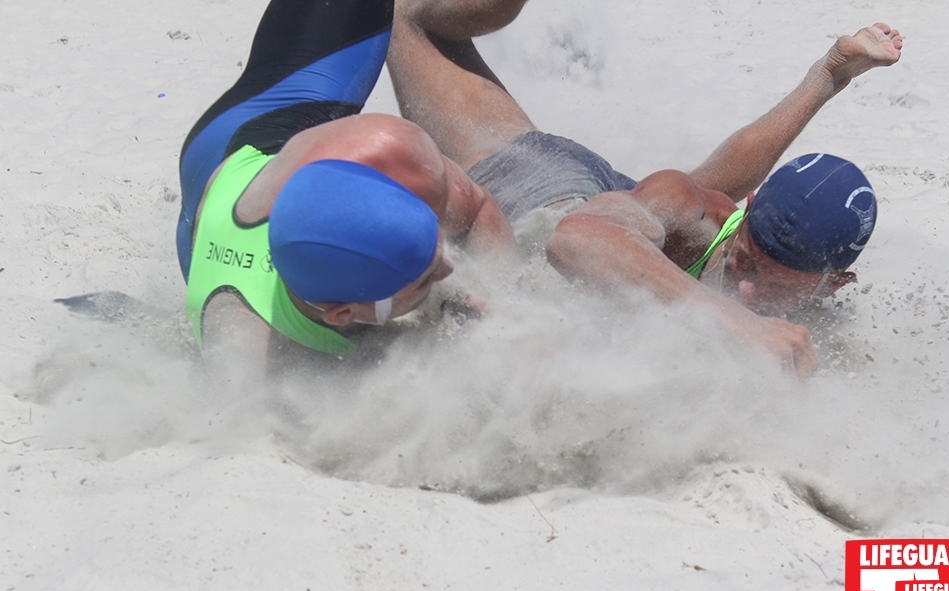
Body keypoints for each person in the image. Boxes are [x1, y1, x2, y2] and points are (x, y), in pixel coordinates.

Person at [387, 0, 903, 378]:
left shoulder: (822, 307)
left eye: (779, 287)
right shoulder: (698, 216)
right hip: (557, 191)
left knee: (684, 198)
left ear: (832, 285)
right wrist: (739, 324)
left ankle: (828, 75)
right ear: (744, 216)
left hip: (633, 207)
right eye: (746, 261)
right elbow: (575, 239)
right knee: (409, 26)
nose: (747, 291)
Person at [176, 0, 517, 362]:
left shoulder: (386, 147)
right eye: (422, 280)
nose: (447, 269)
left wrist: (509, 303)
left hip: (250, 132)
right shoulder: (250, 360)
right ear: (342, 313)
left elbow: (478, 207)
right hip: (212, 219)